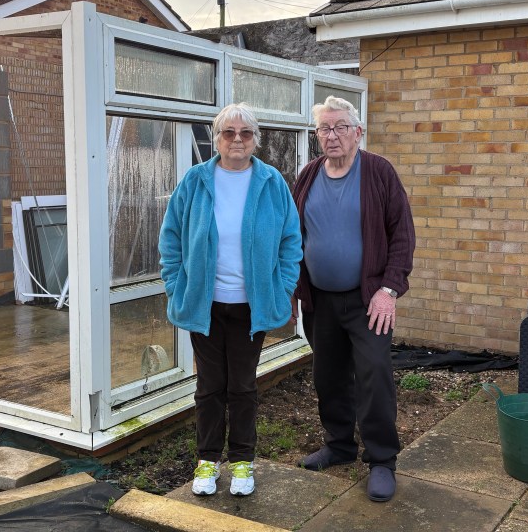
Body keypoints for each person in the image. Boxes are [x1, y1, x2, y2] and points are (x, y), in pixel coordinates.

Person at [158, 103, 302, 497]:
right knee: (208, 387)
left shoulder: (271, 182)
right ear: (216, 137)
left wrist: (284, 285)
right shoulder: (195, 180)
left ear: (256, 139)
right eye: (228, 132)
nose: (237, 139)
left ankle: (242, 461)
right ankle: (207, 462)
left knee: (241, 386)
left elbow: (291, 240)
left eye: (245, 133)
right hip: (205, 304)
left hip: (249, 307)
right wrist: (176, 283)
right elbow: (170, 237)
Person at [291, 96, 415, 502]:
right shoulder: (307, 175)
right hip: (321, 300)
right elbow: (294, 238)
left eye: (341, 127)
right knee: (328, 375)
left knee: (374, 375)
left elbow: (402, 235)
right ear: (317, 136)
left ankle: (381, 460)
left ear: (358, 132)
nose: (332, 135)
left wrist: (389, 289)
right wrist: (294, 289)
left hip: (369, 300)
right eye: (325, 128)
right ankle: (339, 445)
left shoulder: (378, 172)